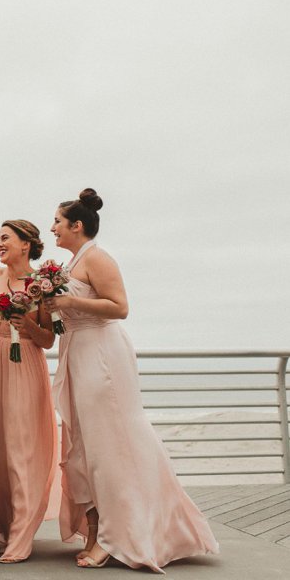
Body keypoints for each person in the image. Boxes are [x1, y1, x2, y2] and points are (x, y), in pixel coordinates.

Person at [46, 189, 218, 571]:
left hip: (102, 355)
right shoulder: (72, 263)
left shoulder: (98, 258)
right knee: (90, 443)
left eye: (57, 221)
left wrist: (70, 302)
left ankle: (118, 535)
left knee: (111, 443)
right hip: (77, 352)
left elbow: (119, 307)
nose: (52, 228)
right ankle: (103, 529)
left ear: (77, 225)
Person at [0, 220, 58, 564]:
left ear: (26, 244)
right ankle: (6, 522)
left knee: (20, 446)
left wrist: (29, 326)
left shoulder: (43, 284)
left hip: (24, 363)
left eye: (5, 238)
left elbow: (50, 340)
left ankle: (23, 533)